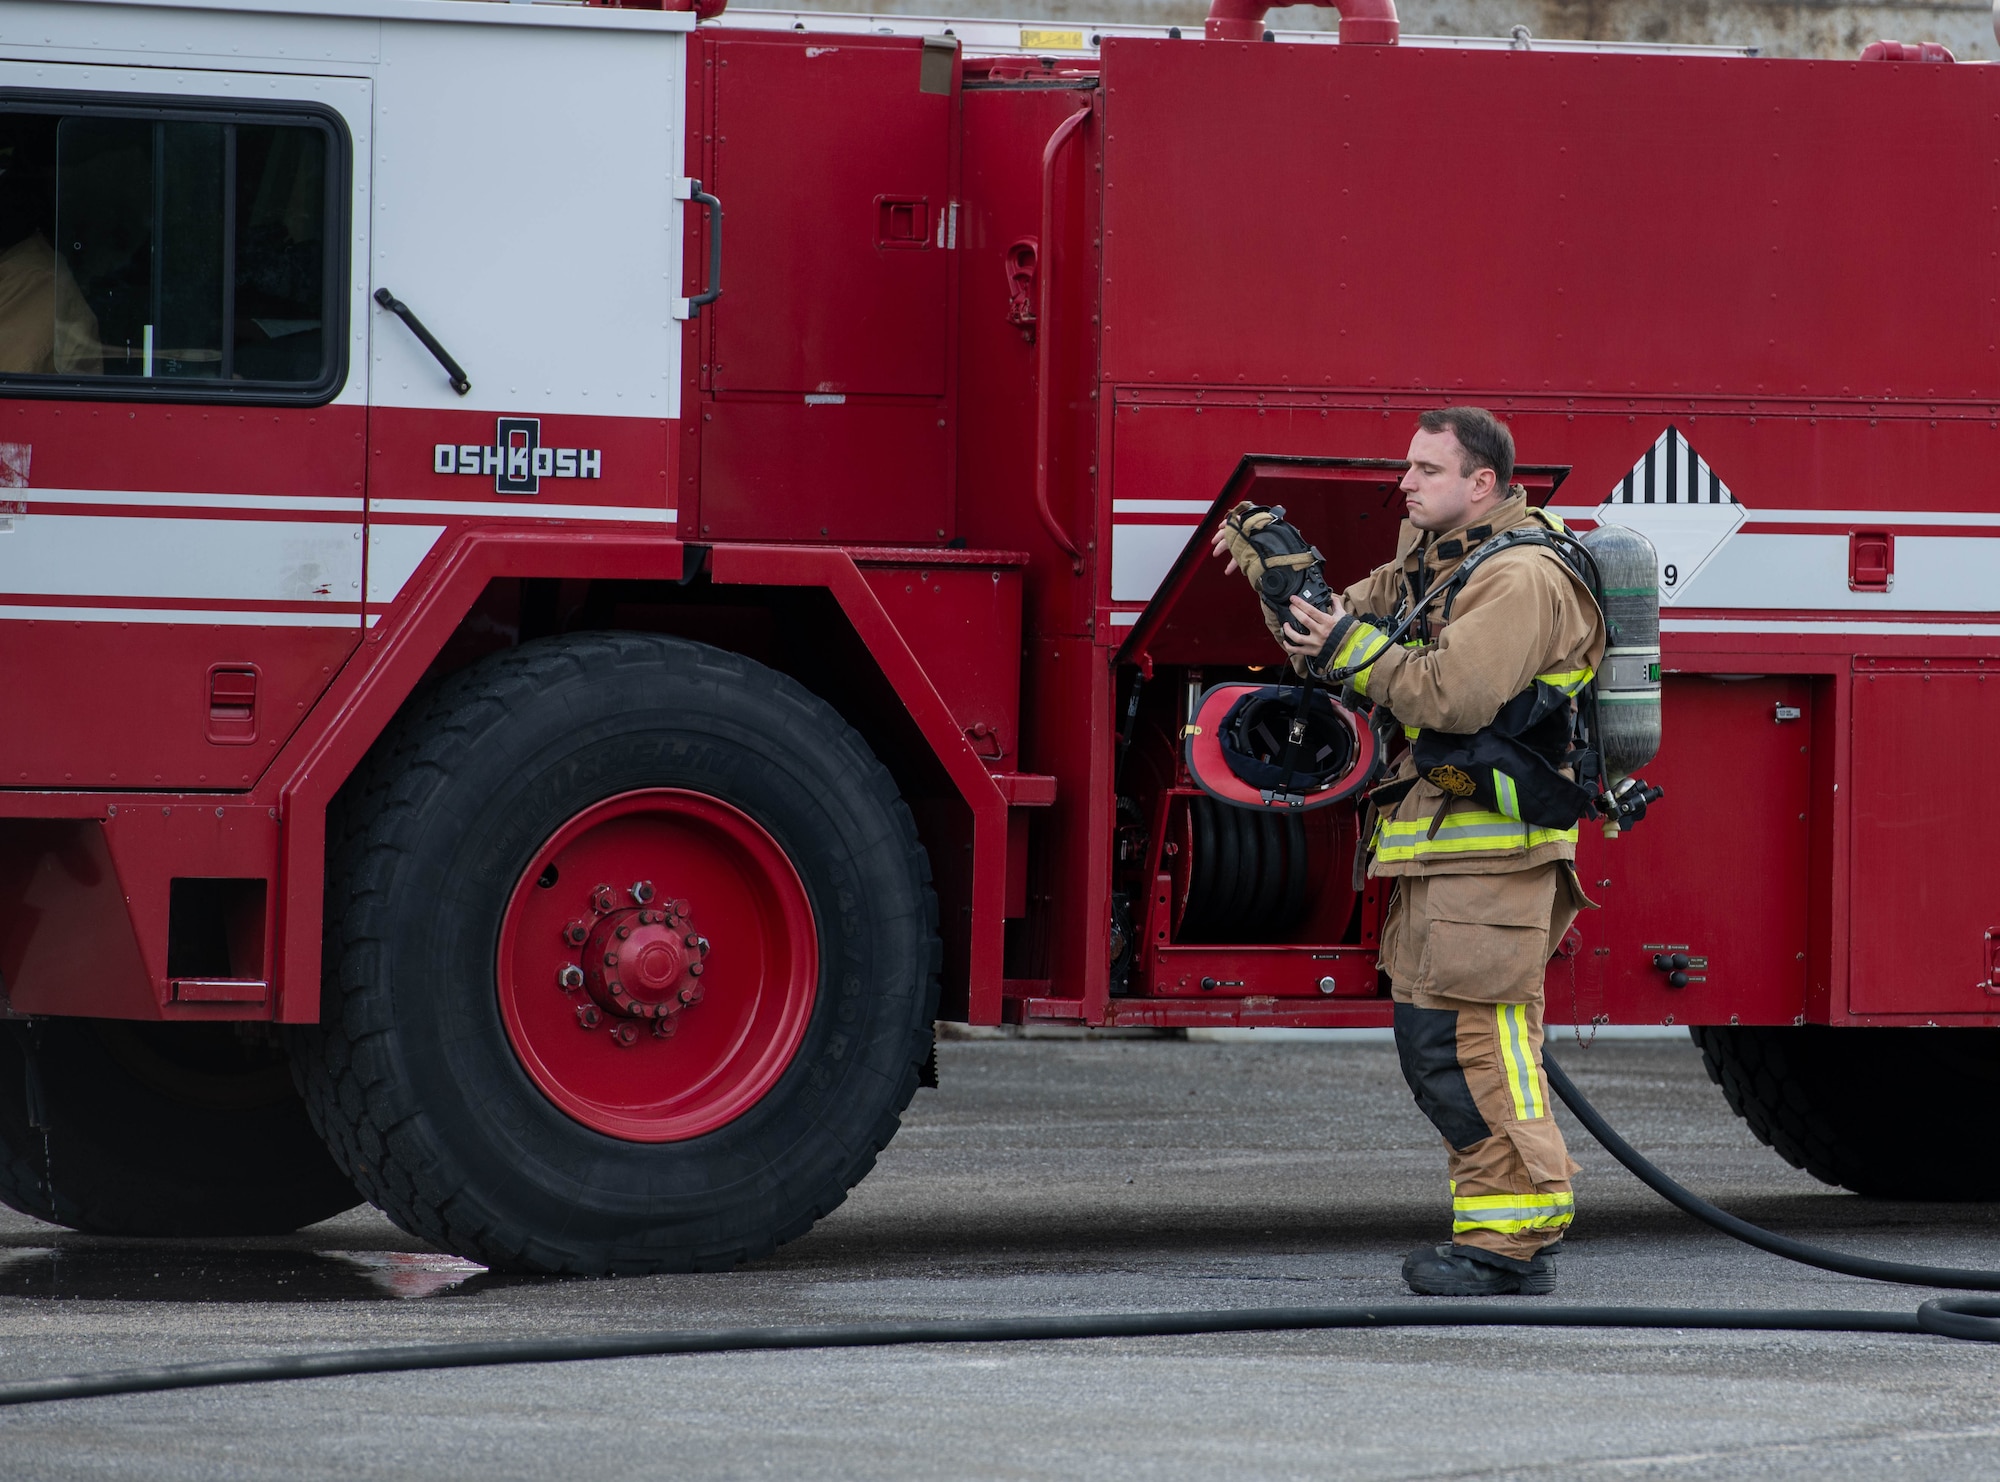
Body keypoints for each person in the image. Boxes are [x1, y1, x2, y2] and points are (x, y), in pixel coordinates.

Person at [1213, 406, 1605, 1296]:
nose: (1405, 482)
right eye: (1408, 466)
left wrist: (1349, 646)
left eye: (1427, 469)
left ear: (1483, 484)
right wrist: (1282, 578)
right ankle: (1497, 1231)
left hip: (1496, 858)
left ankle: (1514, 1241)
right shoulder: (1438, 565)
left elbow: (1454, 696)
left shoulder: (1520, 577)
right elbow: (1333, 634)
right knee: (1438, 1044)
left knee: (1477, 1043)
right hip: (1442, 851)